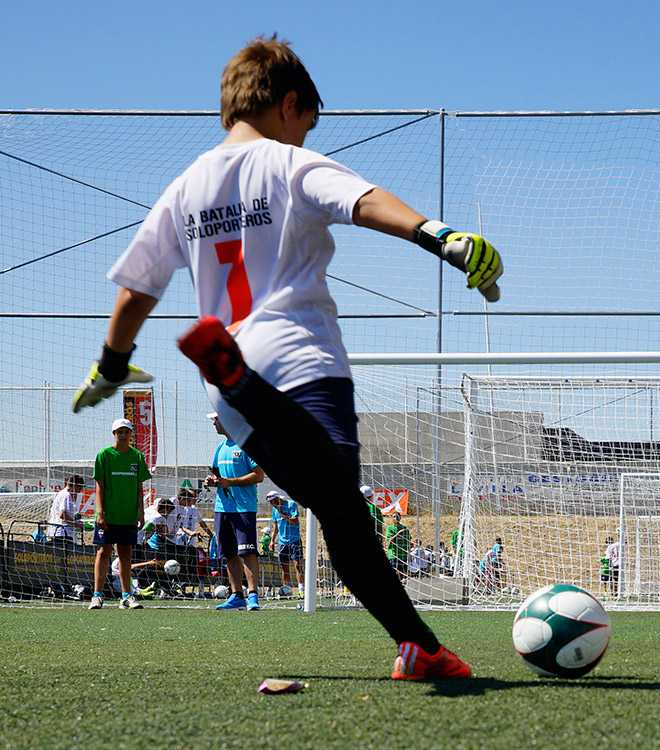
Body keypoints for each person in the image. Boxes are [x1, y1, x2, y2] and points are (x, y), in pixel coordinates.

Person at [71, 37, 498, 679]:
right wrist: (438, 234)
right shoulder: (289, 165)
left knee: (336, 504)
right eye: (305, 126)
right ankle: (418, 646)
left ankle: (418, 648)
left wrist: (110, 365)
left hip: (234, 391)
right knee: (339, 498)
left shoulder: (184, 187)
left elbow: (136, 290)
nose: (302, 140)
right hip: (301, 356)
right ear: (290, 103)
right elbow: (364, 200)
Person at [206, 412, 266, 611]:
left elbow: (259, 476)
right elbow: (216, 474)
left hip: (243, 509)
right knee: (229, 553)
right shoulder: (220, 448)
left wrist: (230, 482)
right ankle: (236, 595)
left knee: (247, 552)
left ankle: (253, 595)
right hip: (222, 509)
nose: (214, 423)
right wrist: (211, 481)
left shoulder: (247, 445)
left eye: (216, 419)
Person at [90, 418, 151, 610]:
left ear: (131, 434)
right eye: (119, 432)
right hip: (108, 516)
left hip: (128, 516)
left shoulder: (137, 457)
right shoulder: (104, 455)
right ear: (114, 434)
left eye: (126, 431)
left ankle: (126, 596)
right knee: (104, 552)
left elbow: (139, 488)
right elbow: (99, 486)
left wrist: (141, 513)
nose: (123, 435)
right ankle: (97, 596)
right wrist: (100, 513)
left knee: (125, 555)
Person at [267, 490, 303, 594]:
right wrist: (272, 541)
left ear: (278, 499)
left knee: (298, 566)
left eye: (272, 501)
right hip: (282, 543)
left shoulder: (291, 504)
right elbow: (275, 527)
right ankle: (286, 589)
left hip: (294, 540)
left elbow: (295, 521)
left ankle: (301, 590)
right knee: (284, 567)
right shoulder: (274, 510)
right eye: (270, 502)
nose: (271, 504)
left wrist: (283, 515)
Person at [47, 475, 85, 543]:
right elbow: (63, 515)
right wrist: (77, 524)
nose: (80, 490)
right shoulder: (66, 495)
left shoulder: (64, 494)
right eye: (80, 487)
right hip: (62, 533)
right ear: (74, 485)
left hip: (60, 532)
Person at [385, 512, 411, 578]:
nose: (396, 518)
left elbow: (408, 541)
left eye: (397, 516)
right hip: (393, 554)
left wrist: (409, 552)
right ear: (392, 518)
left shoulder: (405, 528)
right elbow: (389, 540)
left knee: (403, 576)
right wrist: (398, 534)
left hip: (403, 555)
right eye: (394, 516)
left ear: (400, 518)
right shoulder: (390, 528)